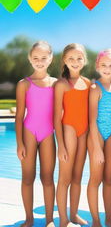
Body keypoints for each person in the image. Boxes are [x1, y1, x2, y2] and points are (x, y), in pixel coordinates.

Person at [15, 41, 56, 227]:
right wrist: (20, 144)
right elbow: (18, 116)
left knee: (48, 178)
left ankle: (49, 219)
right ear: (30, 59)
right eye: (36, 58)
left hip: (48, 132)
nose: (40, 61)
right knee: (27, 177)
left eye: (44, 58)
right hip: (29, 132)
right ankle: (29, 218)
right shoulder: (24, 84)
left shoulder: (56, 84)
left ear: (51, 58)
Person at [54, 43, 90, 227]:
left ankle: (74, 214)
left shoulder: (89, 83)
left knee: (77, 176)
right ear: (64, 61)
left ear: (84, 60)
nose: (75, 62)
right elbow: (56, 116)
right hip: (68, 129)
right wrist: (60, 144)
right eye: (71, 59)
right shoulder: (61, 84)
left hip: (84, 132)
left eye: (78, 58)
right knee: (65, 178)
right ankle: (63, 219)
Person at [87, 49, 111, 227]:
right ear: (97, 66)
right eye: (104, 65)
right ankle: (96, 221)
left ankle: (108, 219)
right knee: (95, 179)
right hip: (97, 135)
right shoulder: (95, 88)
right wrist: (97, 148)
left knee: (109, 179)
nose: (107, 69)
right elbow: (92, 121)